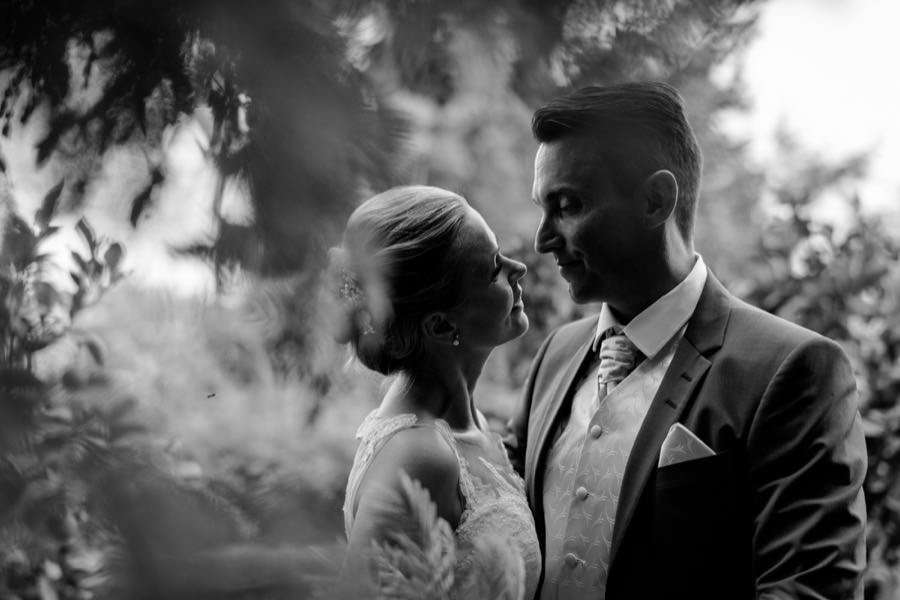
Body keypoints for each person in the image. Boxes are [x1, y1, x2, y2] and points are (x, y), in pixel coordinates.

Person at [506, 82, 867, 600]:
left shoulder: (792, 370)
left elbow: (807, 590)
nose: (542, 238)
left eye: (567, 205)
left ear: (656, 200)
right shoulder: (554, 356)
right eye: (543, 207)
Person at [335, 185, 541, 598]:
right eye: (493, 269)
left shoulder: (471, 426)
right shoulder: (419, 456)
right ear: (442, 326)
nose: (517, 267)